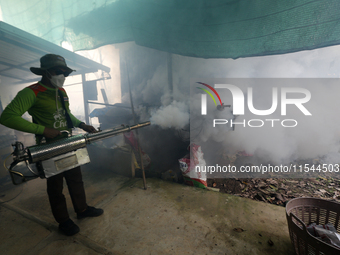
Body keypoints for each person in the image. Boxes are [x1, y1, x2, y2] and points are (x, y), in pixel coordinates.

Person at [0, 54, 103, 236]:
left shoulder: (61, 91)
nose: (63, 76)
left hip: (67, 143)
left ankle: (82, 210)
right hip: (47, 148)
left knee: (76, 179)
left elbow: (66, 114)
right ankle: (63, 221)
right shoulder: (31, 92)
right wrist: (42, 129)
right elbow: (7, 117)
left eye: (65, 73)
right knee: (55, 186)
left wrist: (81, 124)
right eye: (59, 72)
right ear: (46, 72)